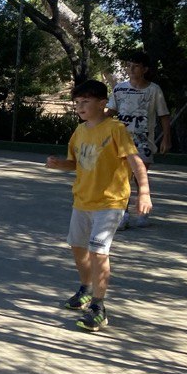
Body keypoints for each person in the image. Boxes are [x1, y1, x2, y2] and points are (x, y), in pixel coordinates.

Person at [46, 80, 152, 333]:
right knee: (77, 247)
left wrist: (144, 193)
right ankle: (86, 288)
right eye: (77, 102)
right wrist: (59, 164)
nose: (80, 107)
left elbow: (136, 163)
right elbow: (76, 163)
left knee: (98, 251)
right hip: (82, 200)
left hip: (110, 202)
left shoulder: (115, 129)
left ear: (103, 103)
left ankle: (98, 306)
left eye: (86, 102)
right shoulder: (79, 132)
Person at [105, 51, 170, 228]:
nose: (131, 69)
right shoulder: (119, 88)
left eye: (136, 66)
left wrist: (166, 138)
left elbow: (164, 115)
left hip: (144, 141)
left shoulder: (154, 90)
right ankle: (123, 215)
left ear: (145, 69)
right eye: (129, 65)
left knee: (140, 176)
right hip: (122, 139)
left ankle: (143, 211)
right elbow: (110, 112)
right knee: (122, 177)